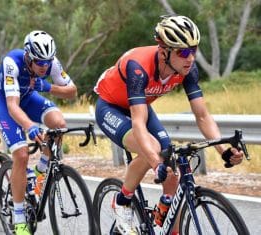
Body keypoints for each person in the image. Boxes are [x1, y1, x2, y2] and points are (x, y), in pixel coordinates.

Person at [94, 15, 244, 235]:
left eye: (194, 49)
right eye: (183, 52)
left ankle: (165, 213)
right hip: (111, 107)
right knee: (154, 150)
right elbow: (138, 123)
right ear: (164, 51)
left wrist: (223, 150)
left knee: (172, 162)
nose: (190, 57)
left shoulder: (187, 69)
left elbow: (202, 115)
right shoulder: (138, 66)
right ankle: (122, 201)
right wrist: (156, 164)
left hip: (141, 105)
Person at [0, 30, 77, 235]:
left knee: (59, 124)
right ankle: (19, 216)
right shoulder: (12, 62)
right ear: (28, 56)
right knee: (21, 155)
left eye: (47, 62)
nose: (44, 66)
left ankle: (40, 172)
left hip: (29, 97)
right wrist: (29, 126)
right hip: (7, 103)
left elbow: (72, 92)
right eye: (39, 62)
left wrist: (46, 85)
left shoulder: (51, 63)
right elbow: (13, 106)